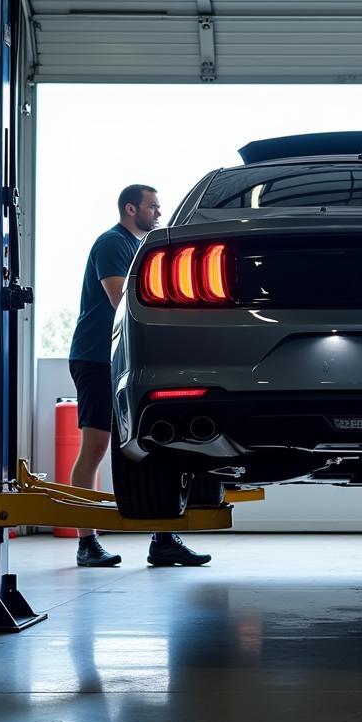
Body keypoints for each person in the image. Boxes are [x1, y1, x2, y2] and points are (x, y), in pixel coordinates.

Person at [68, 184, 212, 569]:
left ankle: (163, 539)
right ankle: (86, 543)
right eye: (153, 206)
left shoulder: (141, 249)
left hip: (130, 360)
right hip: (97, 358)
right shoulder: (114, 243)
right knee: (96, 446)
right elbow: (122, 303)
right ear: (131, 208)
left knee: (154, 447)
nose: (159, 213)